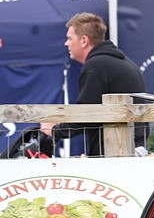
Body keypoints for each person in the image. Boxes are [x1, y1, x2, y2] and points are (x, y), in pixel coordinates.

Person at [39, 12, 146, 156]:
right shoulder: (124, 62)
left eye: (69, 38)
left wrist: (54, 130)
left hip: (116, 151)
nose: (66, 43)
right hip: (133, 147)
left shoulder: (95, 66)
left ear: (84, 40)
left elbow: (86, 114)